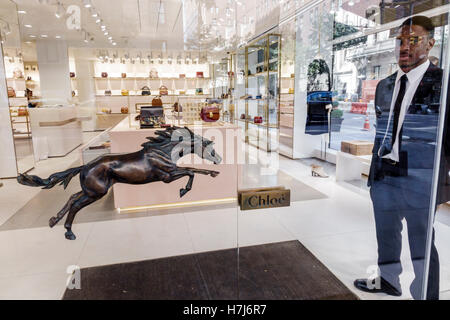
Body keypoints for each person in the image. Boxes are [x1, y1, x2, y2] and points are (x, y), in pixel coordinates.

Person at [354, 15, 449, 300]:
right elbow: (382, 131)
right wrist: (375, 172)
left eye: (414, 39)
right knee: (386, 233)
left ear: (431, 43)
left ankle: (426, 295)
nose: (404, 46)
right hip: (385, 172)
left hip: (421, 178)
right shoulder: (385, 85)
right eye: (400, 41)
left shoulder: (443, 83)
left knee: (422, 241)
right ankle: (388, 280)